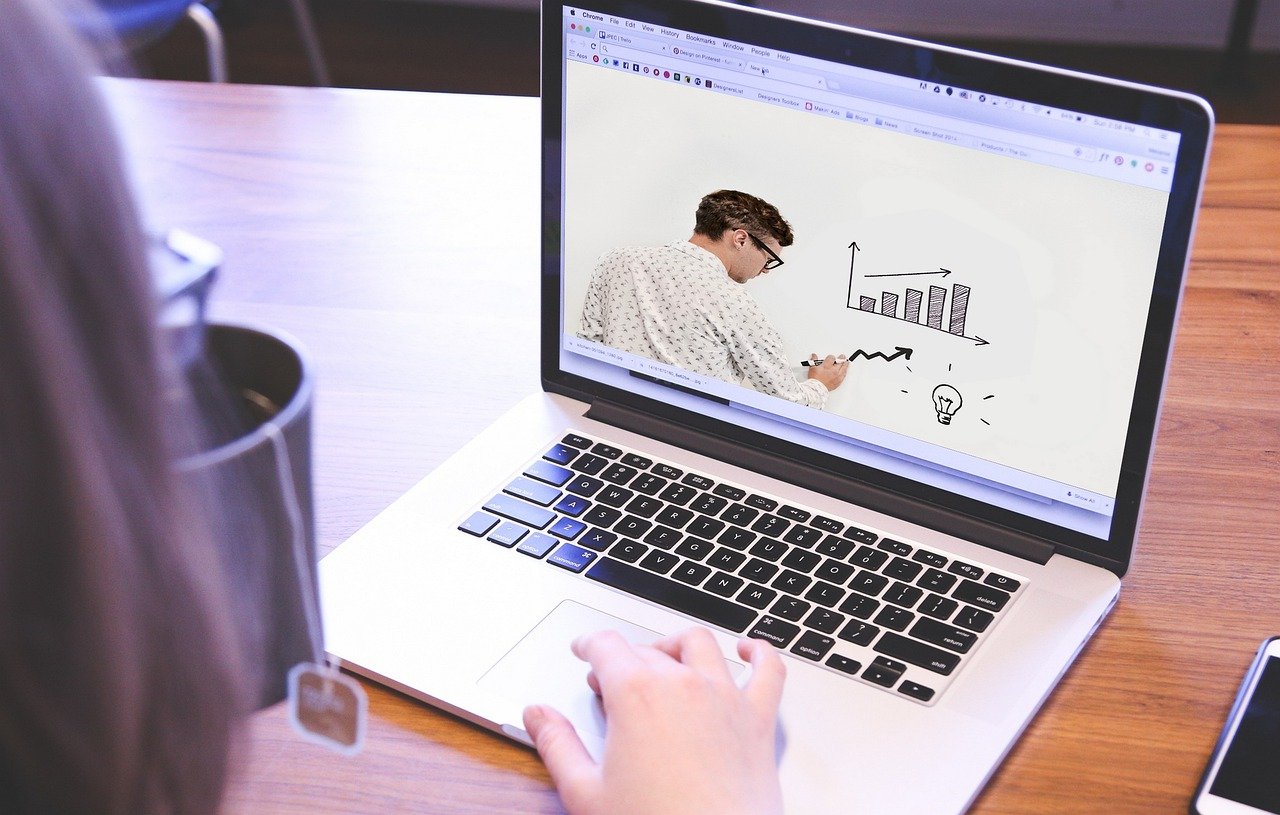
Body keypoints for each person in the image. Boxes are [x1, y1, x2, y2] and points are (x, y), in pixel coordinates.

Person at [0, 3, 787, 814]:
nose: (769, 266)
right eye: (767, 251)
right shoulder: (729, 305)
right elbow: (776, 388)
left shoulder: (623, 257)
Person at [579, 189, 848, 408]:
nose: (765, 269)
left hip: (613, 413)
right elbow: (788, 403)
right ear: (741, 239)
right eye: (768, 258)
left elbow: (588, 346)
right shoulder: (734, 302)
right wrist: (820, 384)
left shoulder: (617, 260)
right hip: (692, 437)